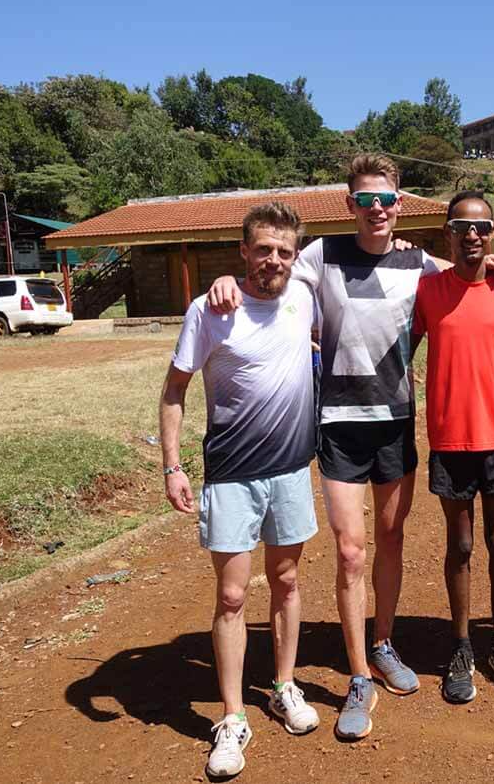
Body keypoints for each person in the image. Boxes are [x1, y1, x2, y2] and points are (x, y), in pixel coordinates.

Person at [206, 154, 494, 739]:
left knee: (391, 539)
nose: (377, 209)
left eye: (387, 200)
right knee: (351, 551)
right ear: (350, 205)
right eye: (365, 200)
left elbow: (465, 271)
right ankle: (357, 676)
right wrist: (225, 279)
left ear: (400, 205)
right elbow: (264, 280)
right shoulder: (320, 257)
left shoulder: (420, 263)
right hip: (339, 425)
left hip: (395, 423)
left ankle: (384, 642)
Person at [160, 202, 320, 778]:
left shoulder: (305, 295)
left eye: (283, 250)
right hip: (230, 475)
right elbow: (175, 390)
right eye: (262, 249)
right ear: (243, 252)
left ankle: (282, 687)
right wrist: (173, 467)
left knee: (287, 580)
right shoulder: (211, 309)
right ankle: (232, 717)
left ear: (294, 255)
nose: (272, 259)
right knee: (231, 598)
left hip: (291, 471)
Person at [411, 191, 494, 703]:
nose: (472, 236)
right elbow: (396, 350)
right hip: (451, 437)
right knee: (459, 545)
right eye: (461, 227)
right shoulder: (428, 291)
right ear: (448, 234)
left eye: (481, 227)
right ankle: (461, 643)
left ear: (493, 232)